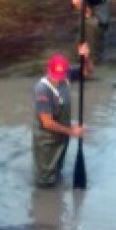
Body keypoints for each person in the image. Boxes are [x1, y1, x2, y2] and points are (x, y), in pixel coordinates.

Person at [33, 50, 88, 188]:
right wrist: (72, 131)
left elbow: (86, 72)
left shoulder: (66, 77)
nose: (58, 79)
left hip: (62, 137)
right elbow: (47, 123)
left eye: (61, 76)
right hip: (47, 141)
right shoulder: (42, 90)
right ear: (48, 70)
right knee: (45, 181)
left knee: (58, 172)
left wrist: (85, 57)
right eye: (55, 75)